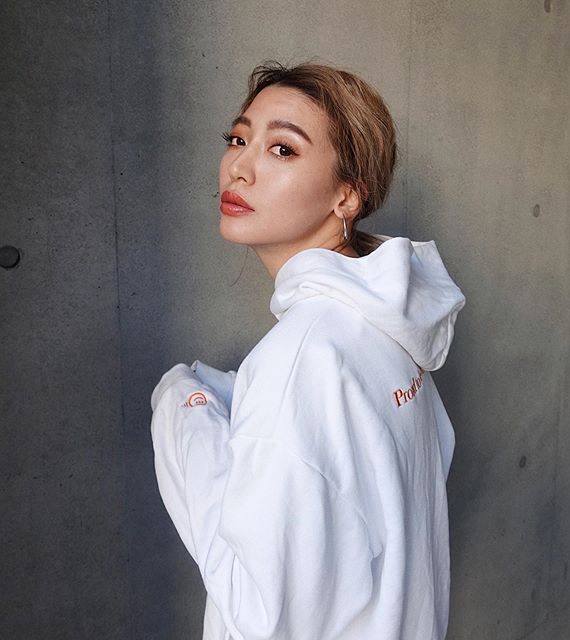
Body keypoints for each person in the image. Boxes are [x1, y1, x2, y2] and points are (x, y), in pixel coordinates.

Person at [150, 60, 466, 640]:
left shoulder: (301, 359)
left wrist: (180, 409)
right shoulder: (384, 324)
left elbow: (258, 612)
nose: (239, 167)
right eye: (238, 139)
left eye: (283, 149)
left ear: (347, 196)